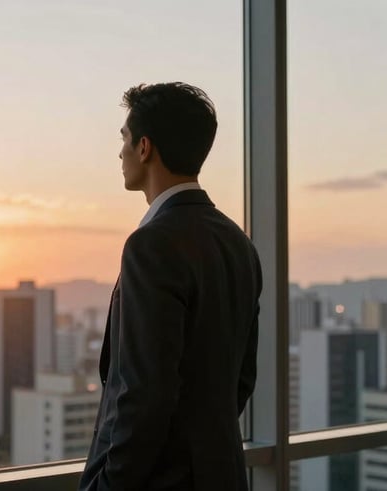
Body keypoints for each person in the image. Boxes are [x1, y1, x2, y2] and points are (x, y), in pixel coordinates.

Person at [78, 82, 262, 491]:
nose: (120, 152)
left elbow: (144, 393)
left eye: (124, 139)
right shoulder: (238, 243)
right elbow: (242, 377)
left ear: (144, 147)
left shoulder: (151, 245)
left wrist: (110, 483)